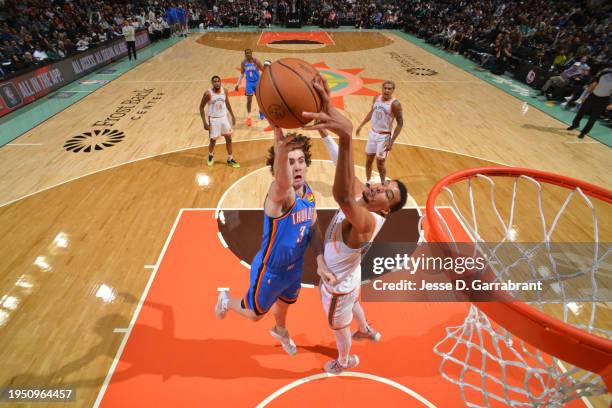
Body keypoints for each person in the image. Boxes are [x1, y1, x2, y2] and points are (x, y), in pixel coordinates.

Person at [303, 75, 409, 374]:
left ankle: (344, 359)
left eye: (386, 193)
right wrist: (326, 127)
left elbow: (341, 196)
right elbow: (345, 170)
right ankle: (365, 329)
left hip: (338, 285)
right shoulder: (367, 197)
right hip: (349, 272)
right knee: (356, 303)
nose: (378, 187)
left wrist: (347, 137)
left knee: (338, 325)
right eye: (384, 184)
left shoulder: (365, 222)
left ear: (386, 211)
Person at [214, 126, 332, 355]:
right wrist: (280, 148)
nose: (297, 166)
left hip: (294, 269)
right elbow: (282, 184)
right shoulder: (279, 197)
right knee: (255, 315)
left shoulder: (308, 194)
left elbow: (313, 228)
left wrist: (319, 259)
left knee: (285, 304)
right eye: (290, 162)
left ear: (307, 164)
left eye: (300, 160)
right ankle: (226, 300)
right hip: (270, 271)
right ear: (280, 168)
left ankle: (281, 331)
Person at [355, 81, 403, 185]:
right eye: (385, 88)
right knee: (368, 161)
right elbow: (372, 112)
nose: (386, 90)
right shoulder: (376, 98)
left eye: (389, 89)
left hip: (384, 136)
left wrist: (392, 141)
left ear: (393, 90)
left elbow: (400, 124)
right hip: (372, 134)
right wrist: (361, 125)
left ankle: (383, 183)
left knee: (380, 163)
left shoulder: (395, 104)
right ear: (382, 88)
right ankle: (368, 182)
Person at [199, 75, 239, 168]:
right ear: (212, 83)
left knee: (229, 138)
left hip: (224, 118)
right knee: (213, 140)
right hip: (213, 119)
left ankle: (230, 159)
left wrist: (232, 116)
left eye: (218, 81)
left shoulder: (224, 91)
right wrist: (204, 122)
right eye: (215, 81)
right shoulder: (208, 93)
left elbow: (227, 103)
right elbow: (201, 107)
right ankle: (210, 155)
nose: (217, 83)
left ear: (220, 82)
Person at [567, 67, 612, 138]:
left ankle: (583, 132)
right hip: (593, 96)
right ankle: (575, 125)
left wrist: (611, 104)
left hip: (603, 100)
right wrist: (585, 95)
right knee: (581, 111)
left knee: (593, 118)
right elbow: (594, 84)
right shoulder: (605, 72)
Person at [235, 49, 264, 126]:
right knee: (249, 99)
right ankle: (249, 117)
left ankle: (261, 111)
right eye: (246, 53)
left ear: (251, 53)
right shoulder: (243, 63)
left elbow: (263, 70)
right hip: (249, 83)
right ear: (245, 54)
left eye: (249, 53)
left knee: (259, 99)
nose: (248, 54)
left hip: (257, 82)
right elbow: (241, 74)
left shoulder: (256, 61)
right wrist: (237, 84)